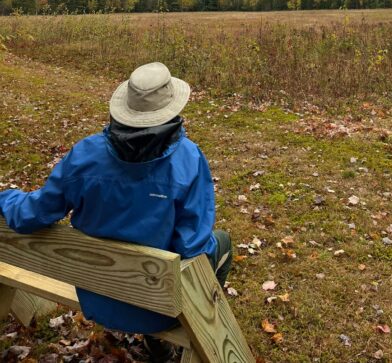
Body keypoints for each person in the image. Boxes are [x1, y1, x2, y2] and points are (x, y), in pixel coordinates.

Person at [0, 62, 232, 363]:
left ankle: (156, 342)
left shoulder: (85, 155)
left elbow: (31, 213)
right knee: (222, 242)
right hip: (162, 309)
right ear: (171, 110)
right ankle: (194, 328)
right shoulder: (188, 159)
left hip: (98, 299)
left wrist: (5, 198)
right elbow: (194, 249)